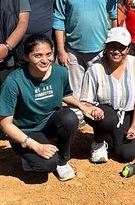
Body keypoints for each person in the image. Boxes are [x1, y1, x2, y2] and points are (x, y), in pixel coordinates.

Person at [0, 34, 93, 180]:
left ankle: (62, 161)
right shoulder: (13, 82)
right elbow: (5, 124)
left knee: (69, 117)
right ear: (26, 57)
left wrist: (83, 107)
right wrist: (35, 146)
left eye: (48, 54)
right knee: (47, 165)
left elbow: (65, 95)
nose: (45, 60)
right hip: (25, 130)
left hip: (48, 123)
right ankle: (29, 157)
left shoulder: (60, 72)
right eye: (37, 55)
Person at [53, 0, 117, 108]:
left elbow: (114, 16)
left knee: (101, 90)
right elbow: (59, 20)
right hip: (73, 50)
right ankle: (77, 125)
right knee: (75, 92)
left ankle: (100, 125)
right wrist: (61, 50)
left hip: (100, 49)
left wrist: (113, 45)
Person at [80, 27, 135, 164]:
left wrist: (134, 125)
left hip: (126, 113)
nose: (116, 51)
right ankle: (99, 141)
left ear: (128, 48)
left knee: (127, 155)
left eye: (121, 47)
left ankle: (111, 137)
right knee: (108, 118)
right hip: (103, 115)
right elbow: (85, 102)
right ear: (106, 47)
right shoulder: (95, 68)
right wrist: (94, 110)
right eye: (112, 46)